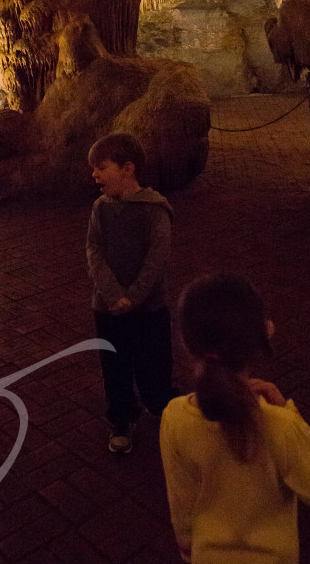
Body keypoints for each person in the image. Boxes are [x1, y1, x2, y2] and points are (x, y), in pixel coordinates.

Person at [160, 273, 310, 564]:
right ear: (259, 337)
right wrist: (290, 414)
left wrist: (187, 546)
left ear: (187, 341)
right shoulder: (279, 424)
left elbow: (181, 498)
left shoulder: (174, 417)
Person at [87, 131, 177, 454]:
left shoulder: (155, 210)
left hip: (149, 307)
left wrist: (134, 296)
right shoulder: (101, 209)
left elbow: (157, 259)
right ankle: (122, 417)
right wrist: (113, 295)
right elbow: (93, 251)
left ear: (128, 169)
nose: (95, 174)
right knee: (115, 365)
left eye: (102, 167)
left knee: (154, 361)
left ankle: (159, 403)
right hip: (108, 308)